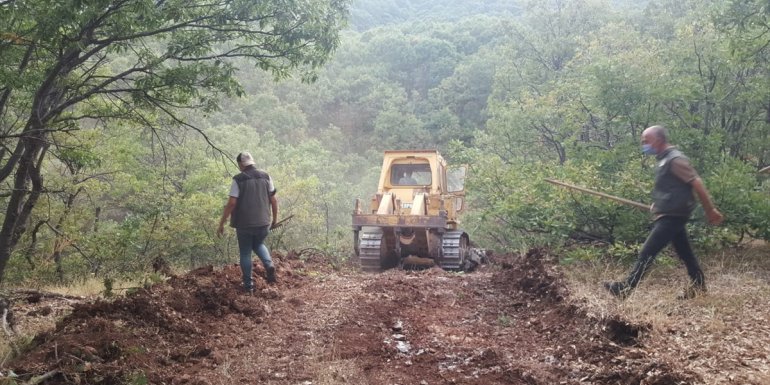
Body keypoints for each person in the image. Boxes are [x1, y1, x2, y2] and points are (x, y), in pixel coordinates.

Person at [604, 125, 724, 300]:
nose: (644, 144)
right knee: (685, 253)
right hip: (670, 213)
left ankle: (625, 289)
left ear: (658, 140)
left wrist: (710, 209)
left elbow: (696, 183)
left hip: (674, 216)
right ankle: (699, 287)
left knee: (647, 251)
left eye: (646, 141)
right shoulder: (663, 159)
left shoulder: (675, 159)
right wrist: (659, 205)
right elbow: (671, 189)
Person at [218, 151, 279, 291]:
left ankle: (248, 286)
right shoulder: (266, 176)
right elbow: (273, 200)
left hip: (244, 224)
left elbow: (232, 203)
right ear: (252, 162)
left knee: (245, 252)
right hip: (263, 222)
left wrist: (222, 223)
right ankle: (268, 264)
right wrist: (274, 220)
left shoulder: (238, 179)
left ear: (241, 164)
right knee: (258, 243)